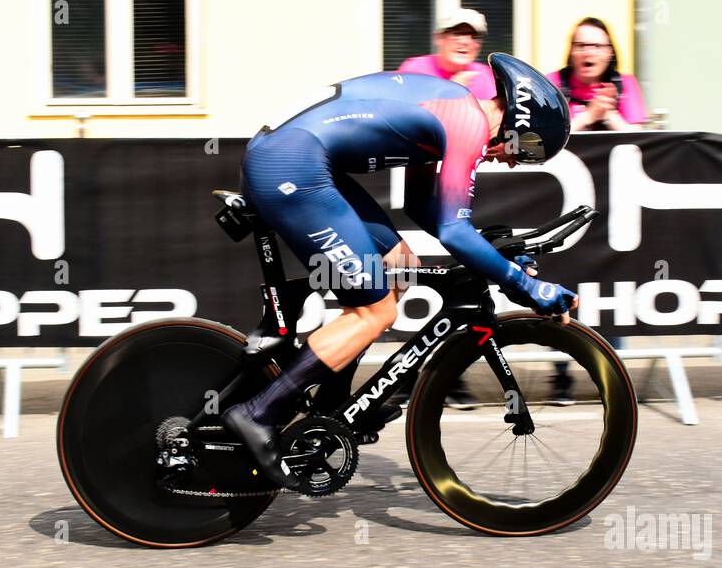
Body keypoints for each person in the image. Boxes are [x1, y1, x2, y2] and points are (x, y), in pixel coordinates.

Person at [224, 54, 577, 488]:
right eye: (527, 151)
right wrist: (523, 285)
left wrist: (496, 258)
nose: (512, 163)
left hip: (295, 156)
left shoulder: (451, 108)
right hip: (292, 164)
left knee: (401, 266)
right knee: (375, 313)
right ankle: (256, 413)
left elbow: (424, 208)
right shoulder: (466, 123)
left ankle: (332, 404)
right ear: (516, 121)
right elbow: (453, 231)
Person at [548, 16, 648, 132]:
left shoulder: (625, 83)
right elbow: (547, 137)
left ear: (610, 53)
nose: (588, 53)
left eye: (597, 46)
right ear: (571, 51)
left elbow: (638, 138)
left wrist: (608, 115)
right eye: (581, 46)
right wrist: (588, 116)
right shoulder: (552, 83)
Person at [397, 8, 498, 99]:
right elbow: (401, 113)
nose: (465, 42)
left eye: (474, 36)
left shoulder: (485, 75)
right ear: (438, 38)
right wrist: (450, 93)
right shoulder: (414, 70)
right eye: (457, 33)